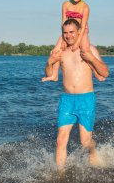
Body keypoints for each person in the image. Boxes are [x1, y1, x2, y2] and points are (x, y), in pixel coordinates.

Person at [44, 19, 109, 171]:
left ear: (79, 32)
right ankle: (60, 175)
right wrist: (49, 62)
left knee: (85, 143)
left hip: (86, 99)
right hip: (66, 100)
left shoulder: (89, 49)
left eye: (71, 32)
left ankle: (93, 152)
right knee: (60, 140)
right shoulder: (60, 52)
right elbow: (51, 75)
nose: (68, 35)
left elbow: (105, 72)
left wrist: (91, 58)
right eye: (65, 33)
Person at [42, 0, 104, 82]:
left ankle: (95, 72)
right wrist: (63, 39)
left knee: (85, 50)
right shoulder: (65, 4)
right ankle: (55, 75)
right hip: (67, 31)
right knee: (56, 51)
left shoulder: (85, 7)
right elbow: (63, 22)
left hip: (81, 31)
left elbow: (83, 26)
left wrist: (78, 42)